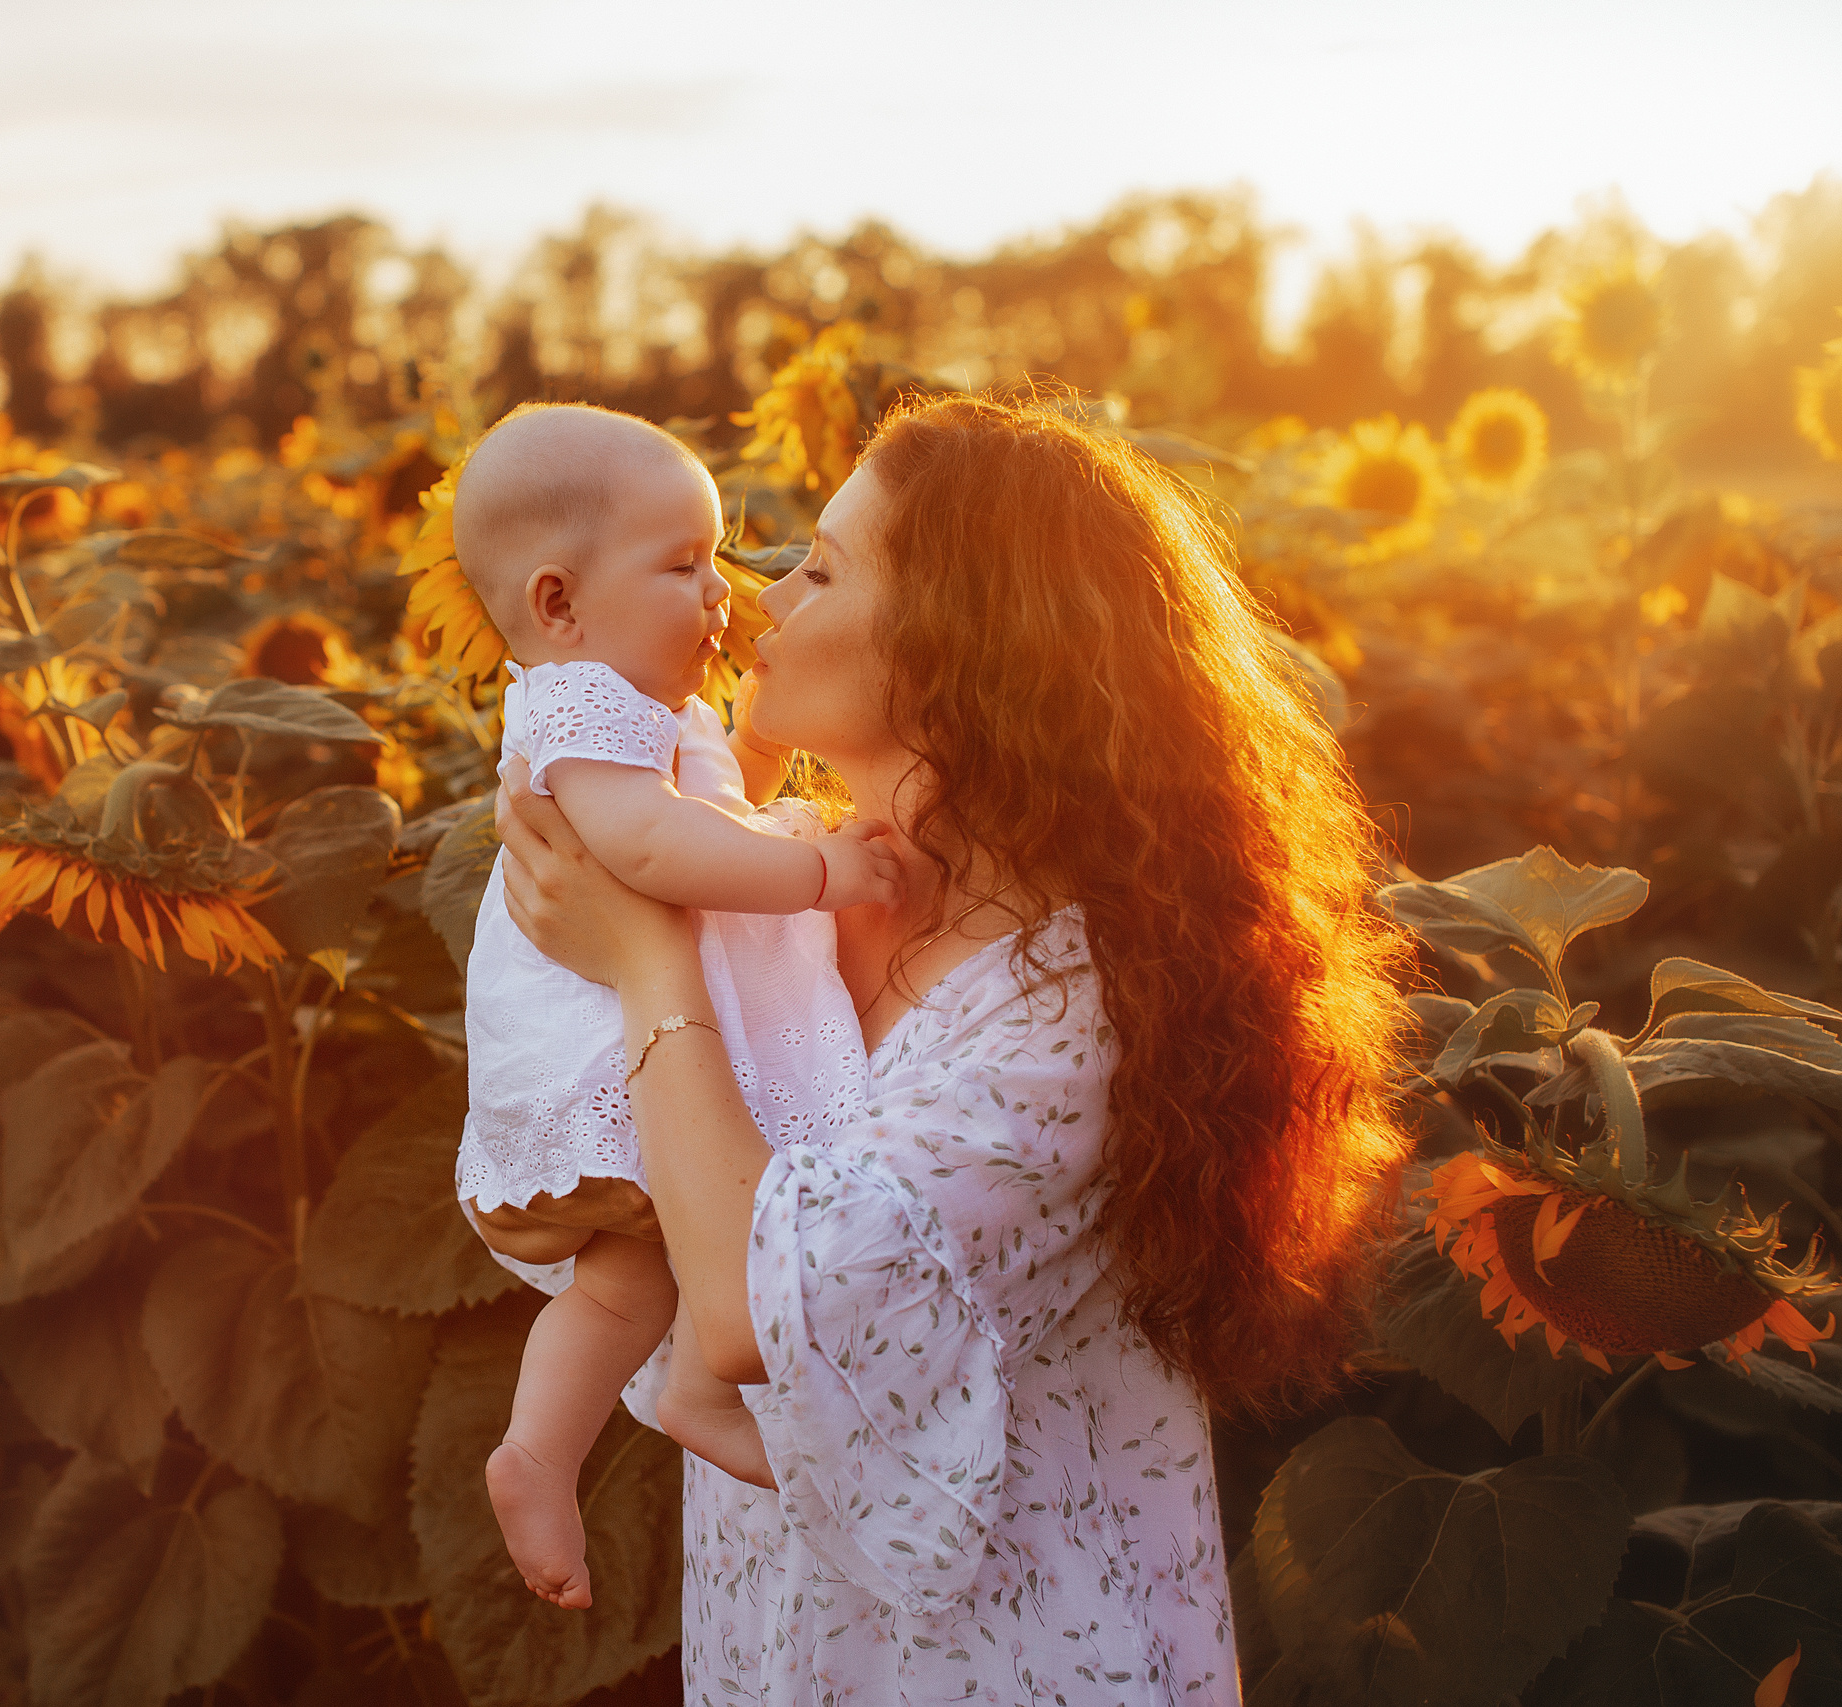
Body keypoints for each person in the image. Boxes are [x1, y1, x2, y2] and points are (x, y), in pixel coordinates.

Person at [491, 392, 1408, 1702]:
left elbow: (754, 1311)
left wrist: (643, 960)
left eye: (822, 565)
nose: (761, 594)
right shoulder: (791, 888)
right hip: (791, 1647)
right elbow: (650, 1230)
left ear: (963, 645)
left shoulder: (1070, 1007)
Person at [448, 402, 904, 1611]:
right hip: (602, 1039)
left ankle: (597, 1428)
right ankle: (541, 1451)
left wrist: (752, 750)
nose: (726, 595)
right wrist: (818, 869)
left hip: (645, 1020)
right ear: (558, 604)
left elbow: (707, 798)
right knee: (647, 1250)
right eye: (685, 565)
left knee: (636, 1275)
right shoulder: (573, 708)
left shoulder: (643, 709)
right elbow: (652, 849)